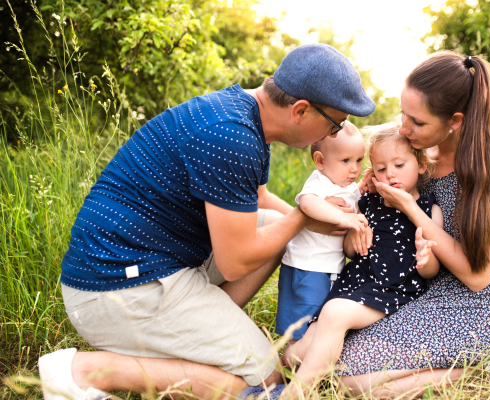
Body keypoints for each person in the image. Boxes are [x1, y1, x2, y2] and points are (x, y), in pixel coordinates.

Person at [38, 43, 376, 400]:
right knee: (262, 381)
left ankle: (201, 328)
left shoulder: (243, 112)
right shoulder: (232, 136)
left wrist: (322, 212)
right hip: (116, 291)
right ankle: (86, 372)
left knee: (271, 221)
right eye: (335, 123)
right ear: (301, 110)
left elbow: (259, 201)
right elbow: (235, 262)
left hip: (149, 263)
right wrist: (304, 217)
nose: (336, 131)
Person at [332, 52, 490, 398]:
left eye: (417, 122)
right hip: (425, 290)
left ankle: (479, 362)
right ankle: (461, 359)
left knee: (352, 382)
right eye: (402, 114)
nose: (404, 129)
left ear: (455, 120)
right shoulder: (421, 161)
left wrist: (410, 207)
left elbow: (478, 276)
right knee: (336, 358)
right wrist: (371, 179)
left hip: (487, 304)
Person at [278, 123, 443, 398]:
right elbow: (352, 251)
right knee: (292, 357)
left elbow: (431, 271)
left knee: (335, 313)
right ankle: (326, 364)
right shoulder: (368, 203)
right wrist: (351, 242)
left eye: (399, 165)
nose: (389, 174)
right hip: (352, 284)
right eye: (380, 168)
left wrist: (425, 259)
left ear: (421, 164)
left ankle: (296, 393)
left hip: (391, 288)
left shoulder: (427, 210)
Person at [275, 121, 368, 343]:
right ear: (320, 161)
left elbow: (355, 196)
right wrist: (343, 217)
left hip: (324, 266)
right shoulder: (320, 182)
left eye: (358, 160)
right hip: (308, 265)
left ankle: (298, 353)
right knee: (305, 321)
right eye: (346, 160)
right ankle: (295, 358)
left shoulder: (349, 188)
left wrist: (365, 188)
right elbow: (307, 204)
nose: (354, 168)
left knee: (315, 315)